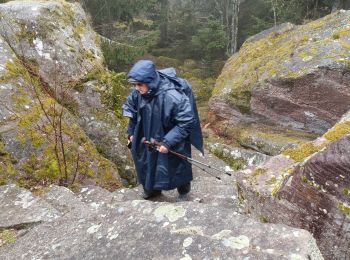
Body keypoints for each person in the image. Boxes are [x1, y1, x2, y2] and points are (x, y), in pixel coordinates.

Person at [122, 60, 203, 200]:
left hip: (171, 135)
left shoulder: (172, 96)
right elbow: (132, 114)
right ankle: (152, 189)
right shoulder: (138, 93)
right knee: (146, 160)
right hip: (146, 134)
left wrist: (167, 142)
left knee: (176, 162)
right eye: (134, 84)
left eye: (139, 84)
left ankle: (184, 191)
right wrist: (131, 133)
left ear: (150, 81)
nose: (136, 88)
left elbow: (186, 121)